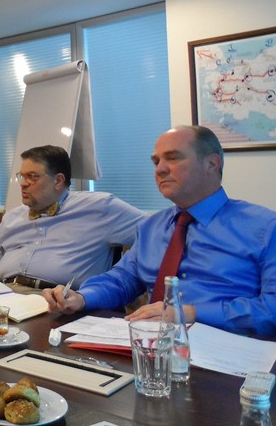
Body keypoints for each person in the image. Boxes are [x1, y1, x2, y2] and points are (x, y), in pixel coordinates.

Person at [43, 125, 276, 336]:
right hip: (149, 347)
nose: (160, 169)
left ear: (212, 164)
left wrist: (191, 313)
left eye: (173, 158)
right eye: (156, 162)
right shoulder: (151, 227)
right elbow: (123, 279)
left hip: (225, 349)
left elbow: (271, 309)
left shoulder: (264, 228)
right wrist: (81, 297)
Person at [0, 145, 146, 292]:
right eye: (21, 176)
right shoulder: (12, 217)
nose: (23, 183)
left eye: (32, 176)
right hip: (5, 297)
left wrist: (131, 277)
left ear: (58, 181)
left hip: (60, 302)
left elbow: (155, 233)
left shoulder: (100, 208)